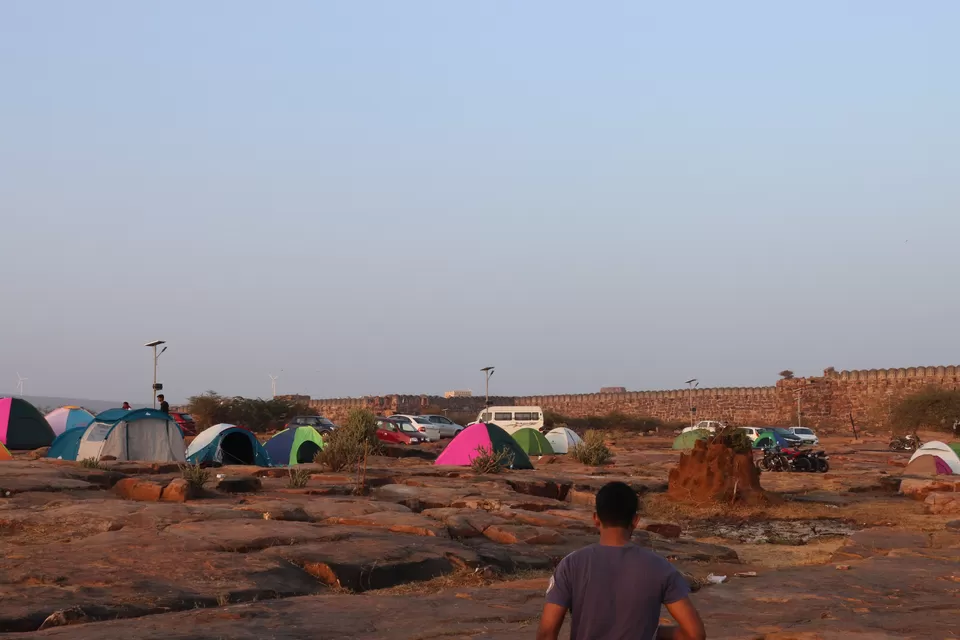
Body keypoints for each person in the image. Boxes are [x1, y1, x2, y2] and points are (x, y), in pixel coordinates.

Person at [536, 481, 706, 640]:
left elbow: (547, 633)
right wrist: (654, 632)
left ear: (596, 518)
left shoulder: (571, 565)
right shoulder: (661, 568)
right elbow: (694, 634)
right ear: (635, 521)